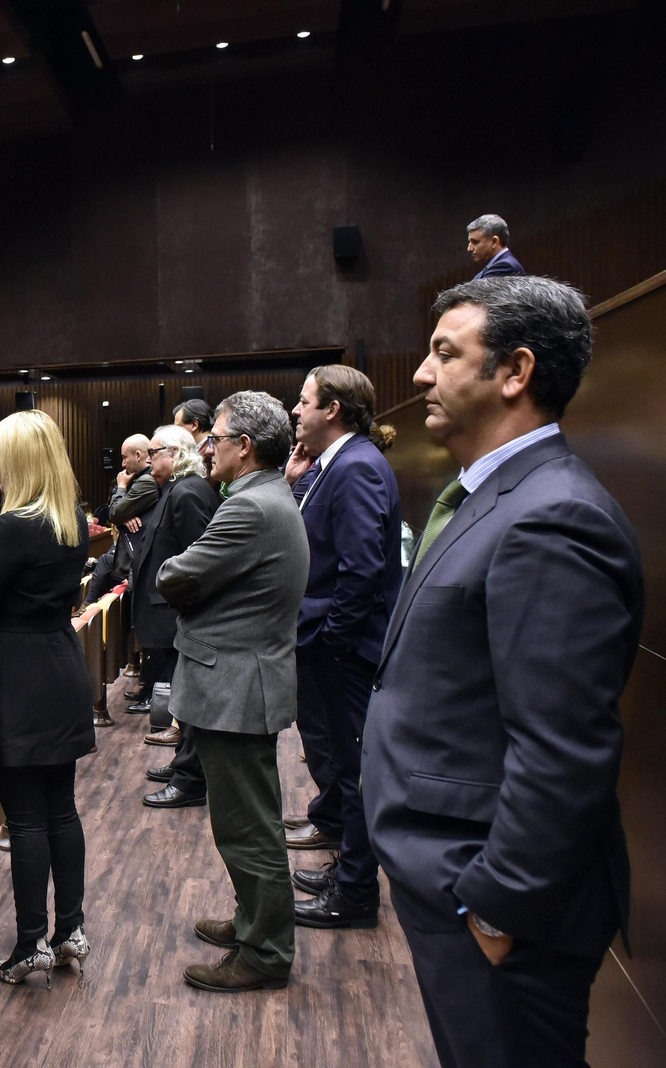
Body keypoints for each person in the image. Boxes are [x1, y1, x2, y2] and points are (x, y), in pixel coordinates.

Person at [363, 276, 642, 1068]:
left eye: (445, 353)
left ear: (515, 373)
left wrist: (494, 913)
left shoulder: (553, 515)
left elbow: (563, 749)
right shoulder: (491, 495)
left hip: (491, 904)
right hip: (449, 877)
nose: (419, 374)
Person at [157, 391, 308, 993]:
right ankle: (254, 921)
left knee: (248, 827)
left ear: (244, 446)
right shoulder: (265, 496)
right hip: (243, 681)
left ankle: (266, 953)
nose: (205, 446)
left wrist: (184, 575)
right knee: (250, 820)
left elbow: (178, 576)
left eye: (214, 437)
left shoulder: (249, 509)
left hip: (237, 686)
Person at [0, 409, 94, 986]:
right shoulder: (75, 520)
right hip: (62, 664)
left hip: (20, 676)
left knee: (26, 819)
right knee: (61, 808)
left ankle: (29, 945)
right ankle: (69, 934)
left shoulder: (14, 525)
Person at [278, 366, 402, 928]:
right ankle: (346, 871)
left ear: (332, 409)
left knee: (354, 771)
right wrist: (296, 480)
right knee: (344, 767)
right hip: (334, 643)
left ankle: (354, 894)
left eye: (303, 402)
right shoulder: (334, 467)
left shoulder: (356, 468)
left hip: (346, 651)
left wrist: (332, 642)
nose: (295, 411)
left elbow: (361, 570)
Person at [125, 426, 219, 810]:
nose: (148, 462)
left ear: (177, 454)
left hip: (183, 615)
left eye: (154, 453)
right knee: (184, 698)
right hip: (173, 612)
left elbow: (199, 560)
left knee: (192, 700)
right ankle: (184, 765)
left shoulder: (189, 491)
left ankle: (190, 779)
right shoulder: (174, 489)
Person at [85, 434, 159, 604]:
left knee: (104, 563)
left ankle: (87, 606)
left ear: (138, 455)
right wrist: (124, 518)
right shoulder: (141, 478)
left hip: (137, 555)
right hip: (133, 553)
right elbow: (119, 514)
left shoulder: (146, 481)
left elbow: (114, 513)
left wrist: (121, 486)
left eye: (125, 458)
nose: (122, 464)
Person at [467, 214, 524, 278]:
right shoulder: (494, 265)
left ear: (494, 242)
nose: (469, 248)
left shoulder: (505, 266)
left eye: (475, 242)